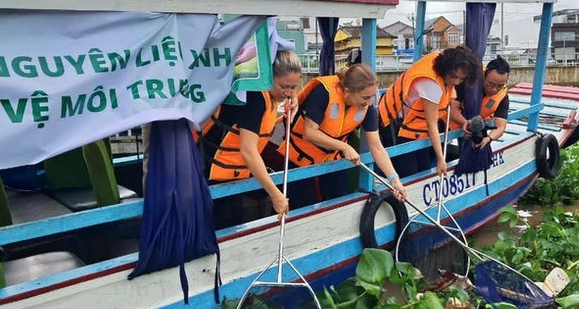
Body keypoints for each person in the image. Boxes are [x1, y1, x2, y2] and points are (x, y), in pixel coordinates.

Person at [278, 63, 407, 206]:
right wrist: (344, 147)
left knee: (342, 201)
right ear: (347, 91)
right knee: (301, 205)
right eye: (365, 97)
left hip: (332, 160)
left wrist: (394, 179)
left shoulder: (366, 106)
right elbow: (309, 132)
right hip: (300, 158)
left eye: (372, 97)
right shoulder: (323, 93)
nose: (369, 102)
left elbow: (376, 146)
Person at [197, 50, 302, 227]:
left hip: (233, 175)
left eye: (293, 87)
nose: (288, 93)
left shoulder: (269, 93)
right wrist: (276, 195)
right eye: (284, 86)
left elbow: (286, 89)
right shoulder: (254, 99)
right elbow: (248, 151)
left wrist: (294, 96)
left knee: (236, 224)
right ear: (268, 77)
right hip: (210, 174)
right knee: (220, 228)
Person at [378, 46, 480, 178]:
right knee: (408, 174)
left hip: (418, 129)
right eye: (454, 77)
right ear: (445, 69)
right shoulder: (431, 84)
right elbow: (431, 124)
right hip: (397, 126)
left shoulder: (442, 65)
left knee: (424, 168)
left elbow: (445, 104)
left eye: (461, 79)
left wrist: (462, 121)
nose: (456, 82)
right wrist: (441, 158)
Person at [452, 56, 511, 148]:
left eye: (499, 86)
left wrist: (488, 138)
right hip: (448, 122)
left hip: (473, 128)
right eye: (490, 84)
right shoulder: (467, 83)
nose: (494, 89)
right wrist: (464, 123)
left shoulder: (503, 97)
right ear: (484, 76)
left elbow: (500, 127)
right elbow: (452, 109)